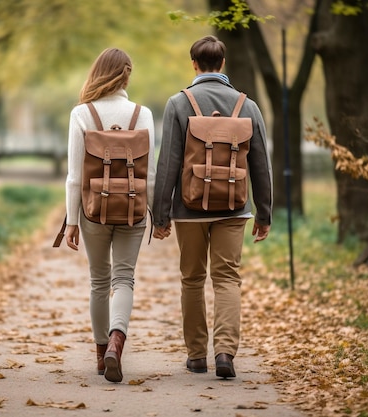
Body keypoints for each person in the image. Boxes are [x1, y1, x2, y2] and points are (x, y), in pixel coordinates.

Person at [152, 35, 272, 379]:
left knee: (192, 279)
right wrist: (264, 213)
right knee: (227, 279)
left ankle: (195, 356)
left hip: (188, 210)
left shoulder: (179, 103)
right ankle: (225, 354)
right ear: (222, 64)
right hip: (234, 209)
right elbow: (261, 163)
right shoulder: (247, 106)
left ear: (194, 65)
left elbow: (168, 163)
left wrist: (161, 216)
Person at [64, 48, 155, 383]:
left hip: (94, 210)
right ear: (127, 75)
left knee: (99, 281)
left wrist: (72, 221)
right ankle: (119, 339)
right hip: (133, 207)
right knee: (124, 278)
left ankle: (103, 355)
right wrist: (158, 215)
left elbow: (75, 174)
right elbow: (152, 172)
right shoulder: (142, 114)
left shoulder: (81, 114)